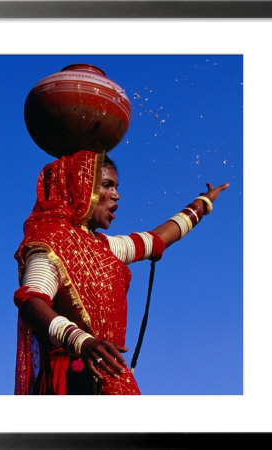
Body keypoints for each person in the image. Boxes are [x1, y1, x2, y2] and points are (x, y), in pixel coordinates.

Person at [14, 149, 229, 395]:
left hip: (111, 375)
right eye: (107, 185)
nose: (117, 195)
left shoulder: (106, 246)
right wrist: (81, 341)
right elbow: (31, 300)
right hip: (73, 379)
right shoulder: (50, 240)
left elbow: (157, 239)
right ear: (81, 187)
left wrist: (203, 204)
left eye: (116, 187)